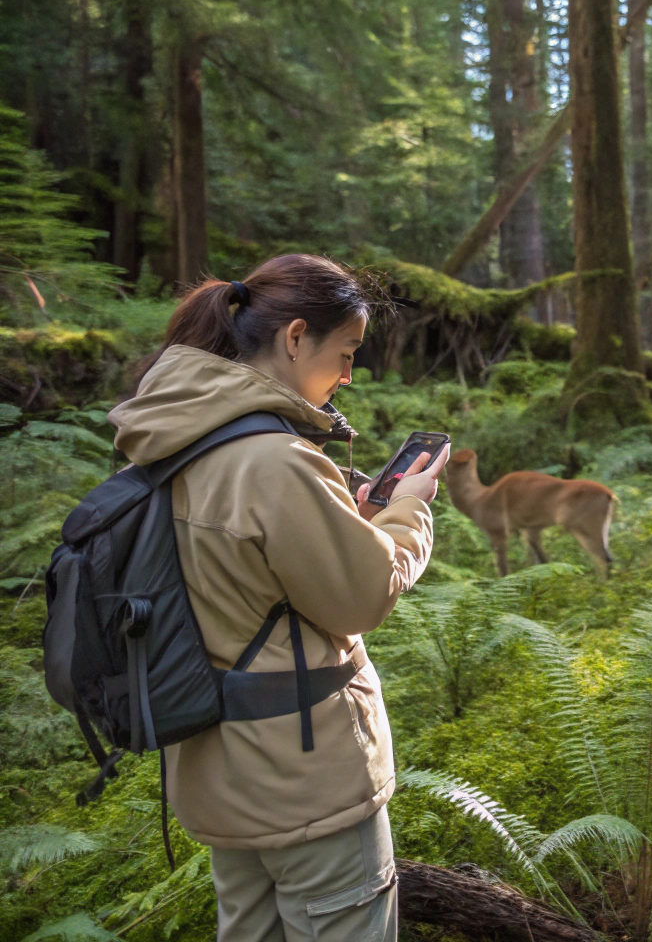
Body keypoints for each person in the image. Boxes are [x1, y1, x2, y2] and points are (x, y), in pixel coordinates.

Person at [108, 254, 448, 942]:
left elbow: (235, 576)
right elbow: (361, 599)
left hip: (214, 769)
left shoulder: (171, 435)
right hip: (304, 779)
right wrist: (408, 511)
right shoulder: (275, 459)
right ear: (296, 337)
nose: (348, 374)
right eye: (345, 351)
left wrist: (335, 519)